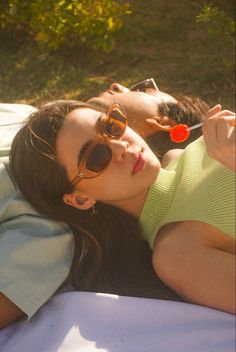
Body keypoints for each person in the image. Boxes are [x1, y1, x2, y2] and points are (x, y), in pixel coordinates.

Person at [0, 79, 210, 328]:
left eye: (113, 125)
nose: (121, 145)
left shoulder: (49, 235)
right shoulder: (24, 116)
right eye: (98, 156)